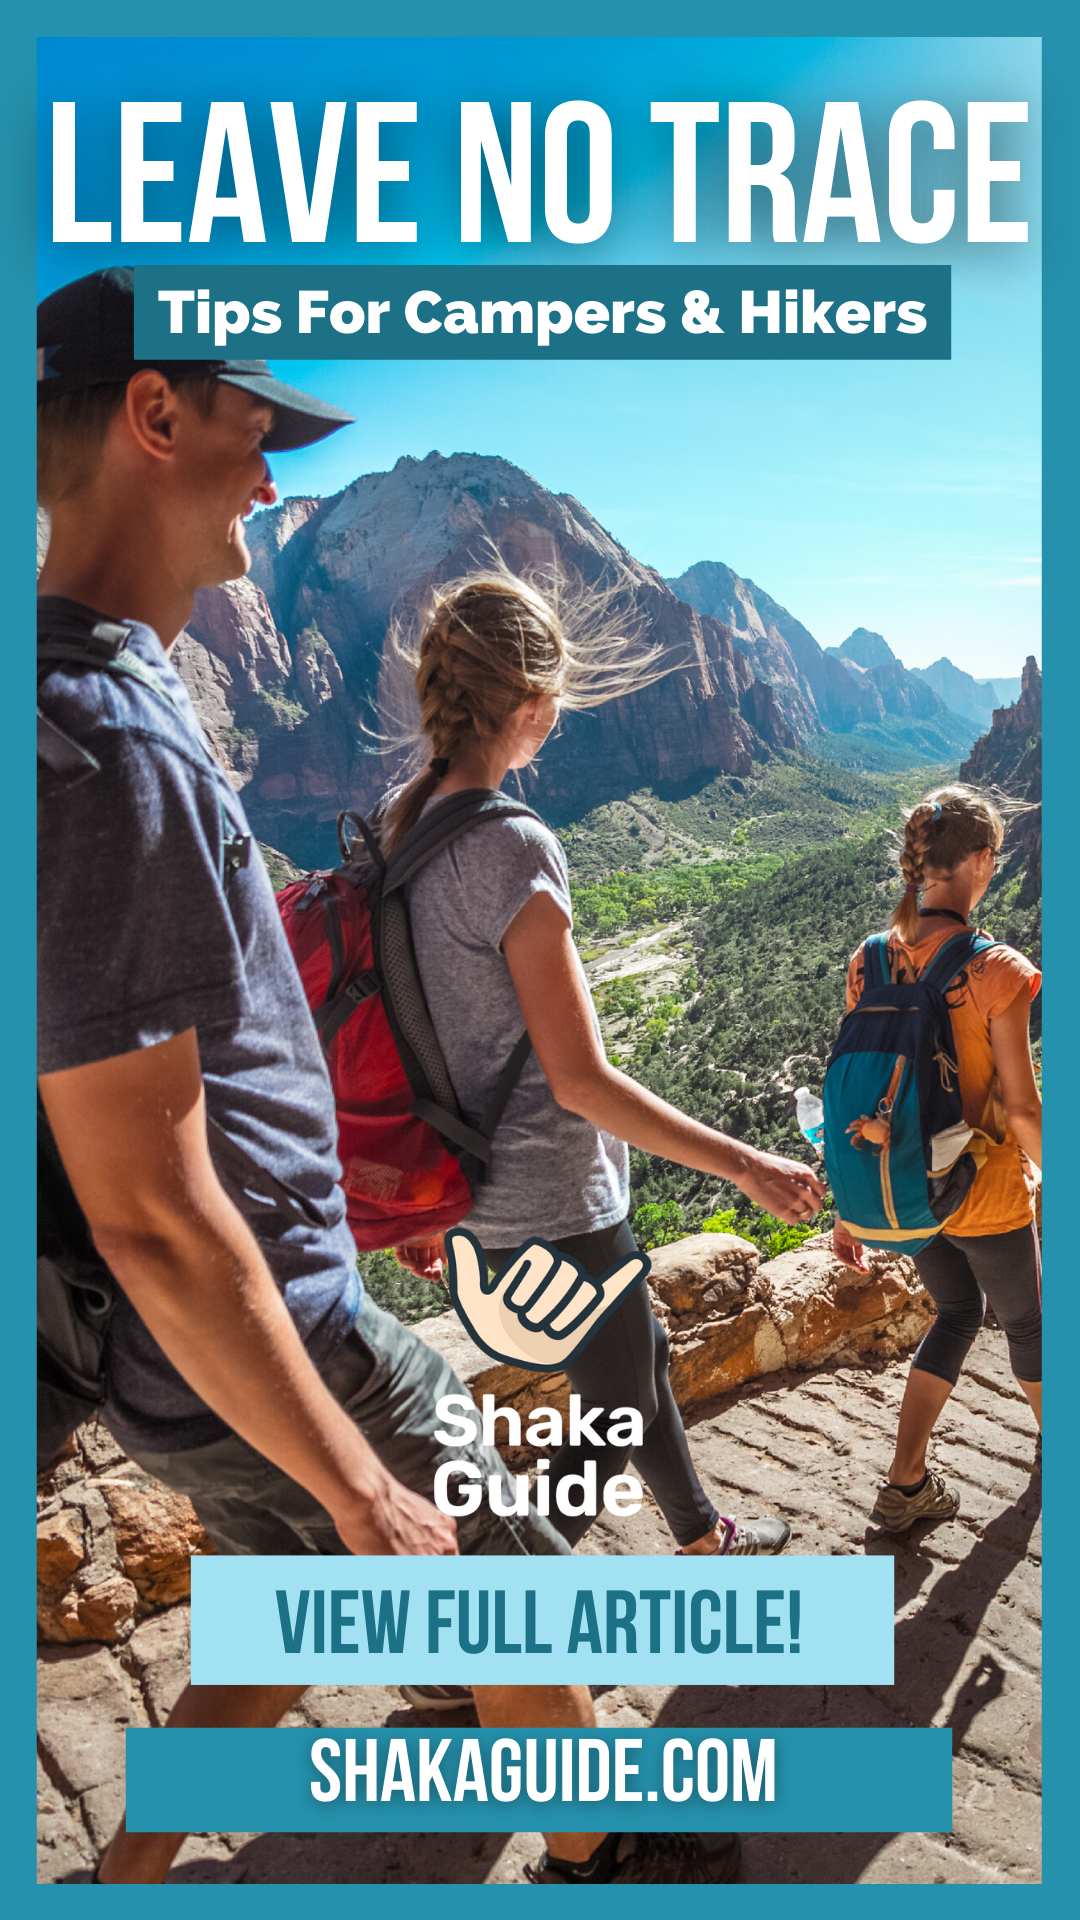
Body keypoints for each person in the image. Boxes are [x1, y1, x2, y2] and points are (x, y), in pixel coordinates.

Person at [36, 268, 739, 1887]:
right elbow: (151, 1206)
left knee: (300, 1606)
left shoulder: (79, 693)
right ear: (155, 414)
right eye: (252, 426)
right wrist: (361, 1475)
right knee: (493, 1558)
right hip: (263, 1321)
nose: (274, 477)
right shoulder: (111, 742)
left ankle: (120, 1877)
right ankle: (604, 1849)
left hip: (176, 1342)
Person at [380, 570, 826, 1567]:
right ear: (534, 707)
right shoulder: (511, 846)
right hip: (553, 1199)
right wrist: (745, 1166)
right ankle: (519, 1593)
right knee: (621, 1392)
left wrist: (418, 1201)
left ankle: (685, 1531)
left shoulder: (395, 831)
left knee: (629, 1370)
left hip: (461, 1196)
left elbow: (412, 1027)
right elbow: (580, 1081)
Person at [831, 786, 1042, 1531]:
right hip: (980, 1191)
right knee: (1032, 1325)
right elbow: (1019, 1108)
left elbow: (862, 1079)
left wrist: (846, 1203)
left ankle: (906, 1480)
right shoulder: (997, 971)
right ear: (981, 861)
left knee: (956, 1311)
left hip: (906, 1194)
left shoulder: (869, 959)